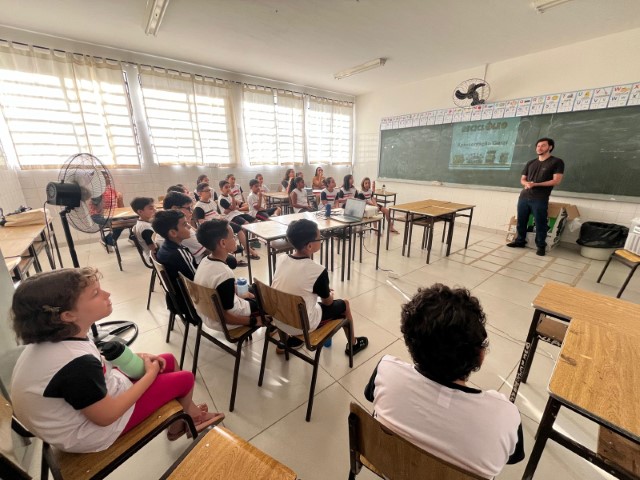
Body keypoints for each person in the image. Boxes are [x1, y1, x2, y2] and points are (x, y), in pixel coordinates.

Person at [10, 267, 223, 454]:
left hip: (87, 409)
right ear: (67, 315)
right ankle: (189, 419)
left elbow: (97, 367)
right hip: (92, 432)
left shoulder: (61, 338)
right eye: (95, 293)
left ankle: (185, 416)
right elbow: (106, 416)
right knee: (184, 379)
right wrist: (148, 376)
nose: (107, 293)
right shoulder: (75, 364)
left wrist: (138, 358)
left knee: (166, 360)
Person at [364, 283, 524, 478]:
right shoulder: (504, 418)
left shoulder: (386, 370)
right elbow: (513, 457)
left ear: (410, 343)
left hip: (391, 467)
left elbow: (370, 396)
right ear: (480, 355)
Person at [271, 219, 368, 355]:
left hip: (278, 319)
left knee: (306, 299)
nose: (321, 240)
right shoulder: (317, 271)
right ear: (309, 246)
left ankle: (286, 342)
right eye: (319, 238)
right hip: (301, 325)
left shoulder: (281, 259)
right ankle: (353, 345)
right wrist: (329, 294)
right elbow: (327, 303)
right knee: (344, 305)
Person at [194, 220, 266, 331]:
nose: (236, 239)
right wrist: (254, 321)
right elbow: (225, 315)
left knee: (253, 289)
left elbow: (219, 289)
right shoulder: (225, 273)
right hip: (225, 320)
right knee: (268, 300)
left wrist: (241, 293)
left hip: (207, 313)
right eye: (233, 237)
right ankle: (272, 327)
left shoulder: (205, 261)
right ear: (223, 243)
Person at [506, 137, 564, 256]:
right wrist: (526, 183)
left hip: (540, 198)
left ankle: (541, 246)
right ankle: (520, 241)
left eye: (543, 145)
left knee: (540, 222)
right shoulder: (531, 162)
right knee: (521, 221)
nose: (539, 148)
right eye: (538, 146)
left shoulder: (557, 162)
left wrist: (536, 184)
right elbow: (523, 179)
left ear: (550, 147)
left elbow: (556, 181)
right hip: (524, 196)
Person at [163, 192, 245, 268]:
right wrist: (225, 250)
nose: (191, 212)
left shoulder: (177, 225)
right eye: (188, 208)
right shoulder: (181, 232)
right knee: (231, 260)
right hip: (202, 261)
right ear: (175, 209)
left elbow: (196, 232)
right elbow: (207, 250)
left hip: (204, 251)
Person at [218, 180, 260, 260]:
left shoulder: (229, 196)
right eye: (226, 187)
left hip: (237, 213)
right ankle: (246, 248)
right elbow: (233, 208)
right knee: (246, 224)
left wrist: (239, 205)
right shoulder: (222, 199)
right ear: (221, 189)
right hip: (230, 217)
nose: (228, 189)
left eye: (229, 187)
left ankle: (252, 242)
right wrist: (234, 201)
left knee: (255, 221)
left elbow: (239, 204)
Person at [90, 172, 123, 247]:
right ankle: (107, 241)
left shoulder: (112, 191)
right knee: (120, 223)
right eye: (105, 177)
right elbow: (97, 209)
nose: (108, 179)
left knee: (133, 219)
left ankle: (132, 238)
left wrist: (120, 199)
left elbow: (121, 208)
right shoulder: (96, 192)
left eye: (108, 177)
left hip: (113, 215)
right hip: (98, 216)